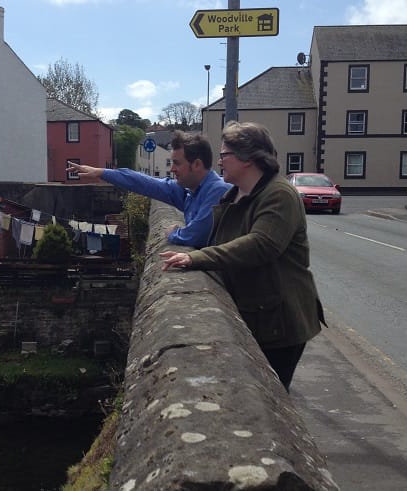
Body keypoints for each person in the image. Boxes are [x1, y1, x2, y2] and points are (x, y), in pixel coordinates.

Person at [160, 121, 325, 392]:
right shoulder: (235, 194)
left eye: (225, 155)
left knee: (267, 395)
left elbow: (261, 245)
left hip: (279, 321)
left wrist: (196, 258)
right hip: (257, 311)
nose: (220, 162)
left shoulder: (280, 195)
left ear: (248, 158)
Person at [66, 130, 231, 248]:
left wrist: (173, 233)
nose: (172, 169)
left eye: (177, 163)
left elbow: (194, 236)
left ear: (196, 164)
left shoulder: (217, 191)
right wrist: (101, 172)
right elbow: (145, 183)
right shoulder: (191, 190)